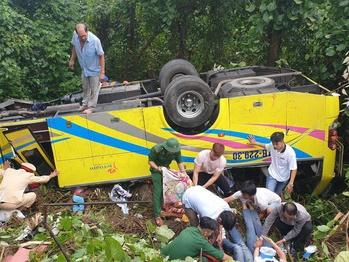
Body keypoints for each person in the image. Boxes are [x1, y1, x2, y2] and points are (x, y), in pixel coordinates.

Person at [182, 186, 249, 261]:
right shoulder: (208, 215)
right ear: (219, 219)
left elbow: (220, 224)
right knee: (195, 226)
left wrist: (219, 235)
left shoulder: (226, 208)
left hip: (199, 191)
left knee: (213, 234)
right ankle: (197, 245)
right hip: (188, 196)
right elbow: (203, 229)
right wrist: (208, 244)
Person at [148, 138, 186, 226]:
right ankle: (157, 214)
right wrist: (158, 168)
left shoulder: (177, 150)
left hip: (167, 170)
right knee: (158, 190)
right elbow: (150, 161)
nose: (173, 152)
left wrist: (183, 173)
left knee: (170, 189)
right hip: (156, 171)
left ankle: (167, 207)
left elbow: (179, 162)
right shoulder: (156, 149)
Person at [69, 23, 105, 114]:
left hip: (94, 69)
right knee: (85, 87)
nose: (83, 38)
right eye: (80, 36)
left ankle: (92, 107)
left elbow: (101, 56)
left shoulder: (95, 40)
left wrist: (102, 72)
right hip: (84, 69)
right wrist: (72, 60)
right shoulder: (75, 36)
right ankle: (85, 104)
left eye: (84, 36)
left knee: (94, 89)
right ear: (76, 34)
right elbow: (74, 47)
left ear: (87, 31)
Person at [161, 216, 233, 261]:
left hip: (162, 254)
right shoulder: (201, 242)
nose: (211, 234)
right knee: (204, 259)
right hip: (171, 260)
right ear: (206, 232)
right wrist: (231, 259)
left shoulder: (189, 229)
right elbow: (220, 255)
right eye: (211, 232)